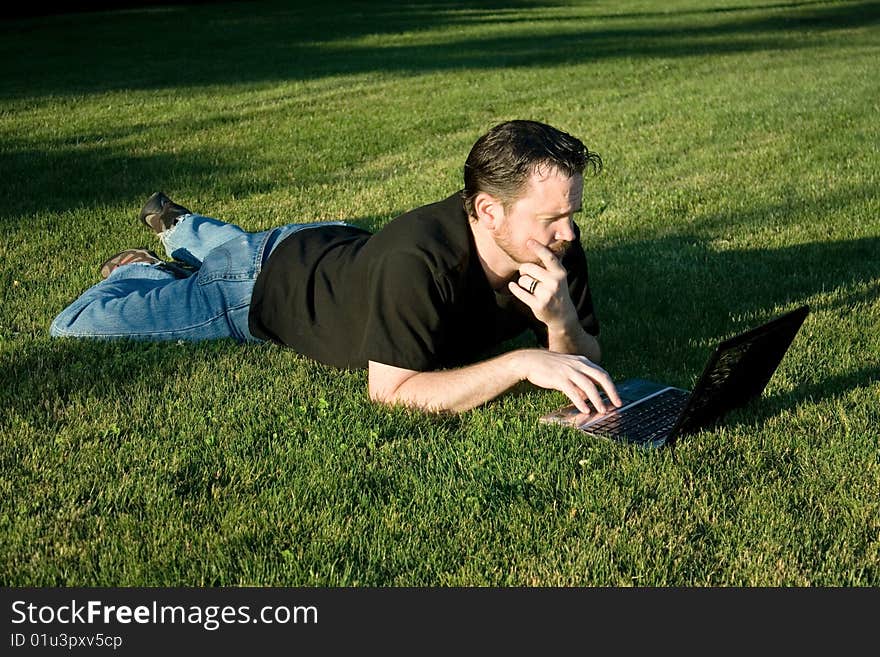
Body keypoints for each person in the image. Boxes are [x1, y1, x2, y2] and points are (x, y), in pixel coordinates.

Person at [50, 119, 622, 415]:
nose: (568, 232)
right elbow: (393, 391)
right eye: (552, 217)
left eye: (571, 213)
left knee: (244, 244)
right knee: (74, 326)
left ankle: (186, 228)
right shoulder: (417, 261)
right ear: (489, 210)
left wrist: (559, 318)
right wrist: (520, 362)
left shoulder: (551, 243)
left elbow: (583, 357)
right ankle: (141, 271)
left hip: (328, 247)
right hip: (255, 287)